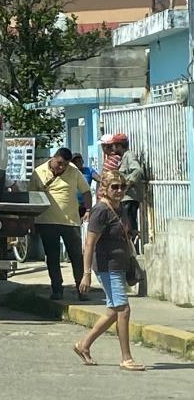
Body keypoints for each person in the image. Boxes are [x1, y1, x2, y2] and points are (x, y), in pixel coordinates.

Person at [76, 170, 145, 371]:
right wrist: (86, 273)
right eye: (114, 186)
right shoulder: (100, 211)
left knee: (114, 311)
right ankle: (126, 358)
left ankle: (83, 345)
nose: (119, 190)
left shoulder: (120, 208)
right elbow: (89, 244)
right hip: (107, 266)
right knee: (123, 309)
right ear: (104, 189)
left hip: (120, 264)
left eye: (122, 187)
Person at [29, 147, 92, 301]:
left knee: (77, 257)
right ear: (53, 158)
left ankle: (81, 290)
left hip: (70, 222)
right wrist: (31, 220)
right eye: (59, 163)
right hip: (46, 221)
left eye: (65, 164)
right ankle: (57, 290)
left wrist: (89, 210)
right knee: (52, 257)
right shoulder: (38, 172)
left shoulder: (74, 171)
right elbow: (31, 196)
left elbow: (86, 191)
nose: (62, 167)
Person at [112, 133, 144, 242]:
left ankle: (133, 250)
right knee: (126, 224)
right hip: (125, 198)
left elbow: (138, 170)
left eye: (114, 145)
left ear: (119, 146)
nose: (113, 148)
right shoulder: (123, 158)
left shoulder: (129, 156)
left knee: (130, 224)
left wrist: (128, 183)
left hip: (130, 198)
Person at [72, 153, 100, 218]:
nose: (78, 163)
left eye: (79, 161)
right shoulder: (70, 172)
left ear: (82, 161)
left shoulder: (88, 170)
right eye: (75, 161)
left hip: (85, 204)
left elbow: (99, 179)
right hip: (73, 204)